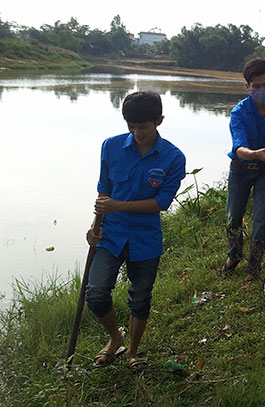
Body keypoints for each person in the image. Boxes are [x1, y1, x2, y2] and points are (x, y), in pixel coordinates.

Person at [85, 91, 186, 369]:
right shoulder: (111, 146)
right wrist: (94, 227)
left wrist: (119, 205)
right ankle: (115, 339)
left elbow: (161, 203)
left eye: (142, 127)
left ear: (159, 121)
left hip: (145, 238)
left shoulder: (173, 158)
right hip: (111, 234)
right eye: (131, 127)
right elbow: (104, 191)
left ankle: (132, 351)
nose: (136, 133)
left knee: (140, 298)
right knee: (95, 293)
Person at [222, 59, 265, 281]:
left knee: (261, 220)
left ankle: (254, 267)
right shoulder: (239, 112)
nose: (261, 90)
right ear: (247, 87)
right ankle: (235, 254)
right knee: (234, 217)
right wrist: (255, 153)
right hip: (240, 169)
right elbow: (239, 148)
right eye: (256, 86)